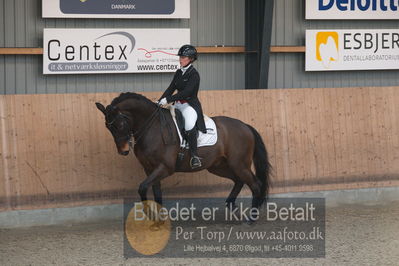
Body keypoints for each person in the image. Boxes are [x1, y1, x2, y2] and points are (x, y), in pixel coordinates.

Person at [158, 44, 206, 169]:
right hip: (178, 104)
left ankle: (195, 156)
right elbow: (171, 88)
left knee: (189, 124)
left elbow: (187, 93)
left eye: (183, 57)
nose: (180, 59)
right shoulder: (179, 72)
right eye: (180, 57)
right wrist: (160, 101)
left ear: (190, 59)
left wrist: (168, 99)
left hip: (189, 105)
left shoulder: (194, 74)